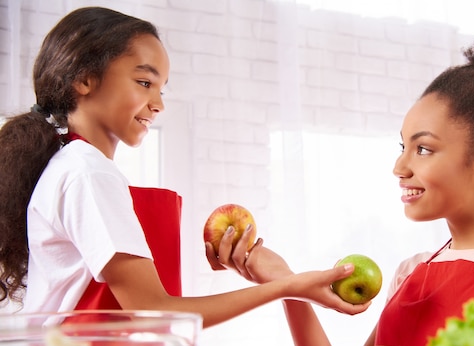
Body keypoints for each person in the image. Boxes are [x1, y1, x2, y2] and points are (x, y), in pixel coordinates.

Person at [210, 19, 474, 346]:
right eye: (403, 147)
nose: (400, 168)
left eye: (424, 148)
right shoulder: (410, 273)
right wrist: (286, 285)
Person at [0, 6, 369, 324]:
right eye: (144, 82)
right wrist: (286, 286)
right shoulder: (87, 172)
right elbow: (154, 311)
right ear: (83, 79)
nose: (159, 104)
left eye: (162, 89)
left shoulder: (72, 165)